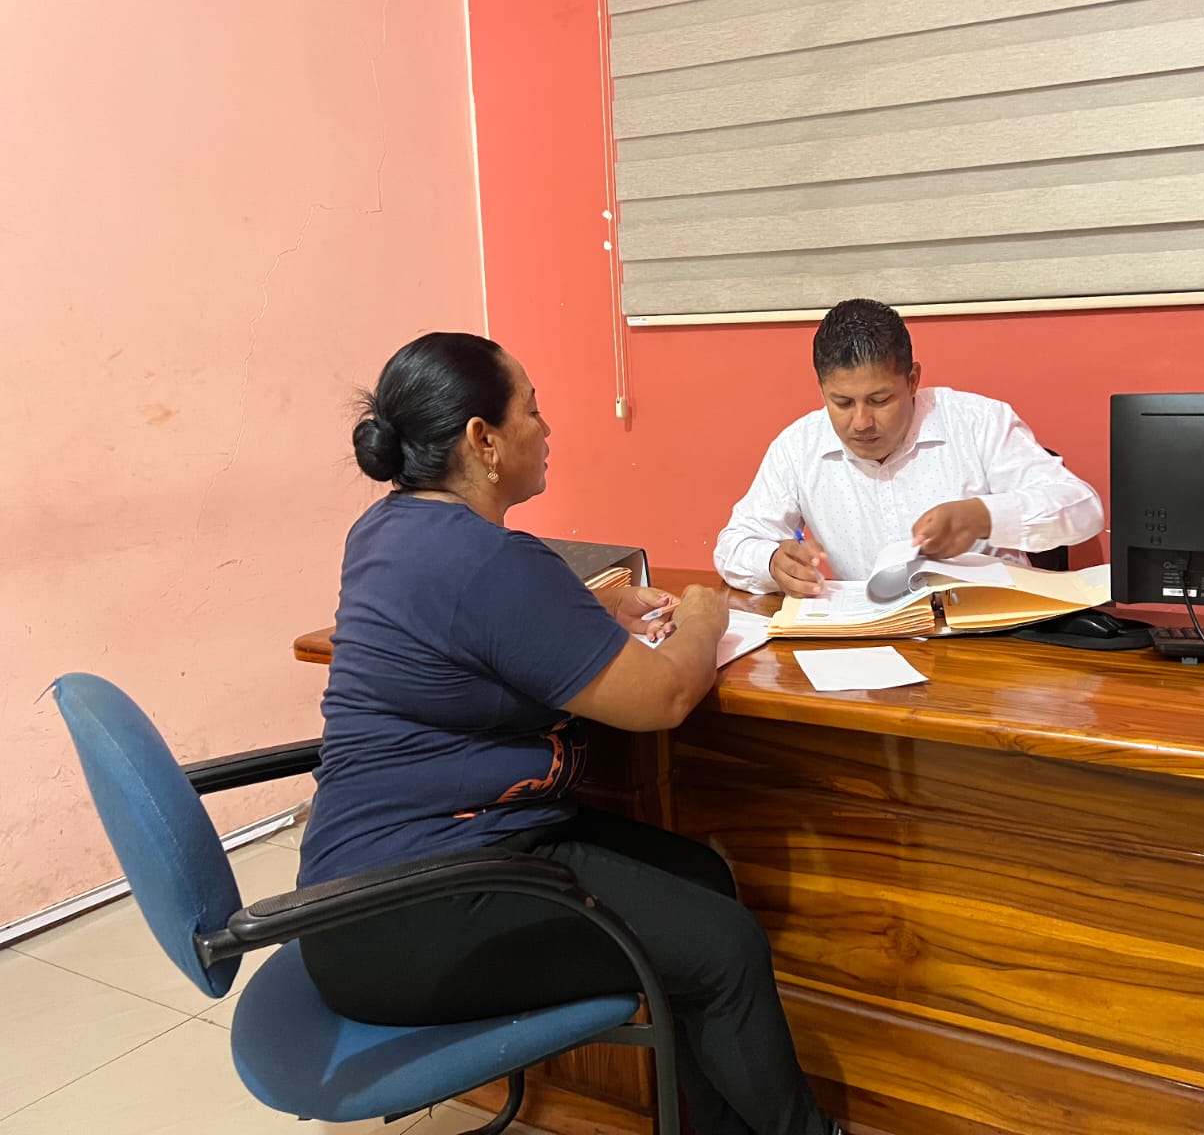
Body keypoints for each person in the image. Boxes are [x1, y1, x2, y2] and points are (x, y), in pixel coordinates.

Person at [297, 332, 841, 1135]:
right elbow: (664, 696)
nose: (546, 428)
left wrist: (588, 605)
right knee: (723, 948)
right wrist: (704, 615)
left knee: (700, 877)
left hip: (362, 886)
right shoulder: (490, 564)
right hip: (413, 910)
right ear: (483, 440)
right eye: (532, 410)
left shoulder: (387, 530)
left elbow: (476, 614)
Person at [714, 298, 1104, 597]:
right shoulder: (799, 446)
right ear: (821, 390)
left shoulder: (977, 422)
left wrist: (984, 516)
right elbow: (732, 545)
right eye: (842, 402)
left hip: (990, 635)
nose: (861, 422)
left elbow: (1083, 508)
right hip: (874, 637)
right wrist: (771, 562)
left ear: (913, 380)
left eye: (880, 400)